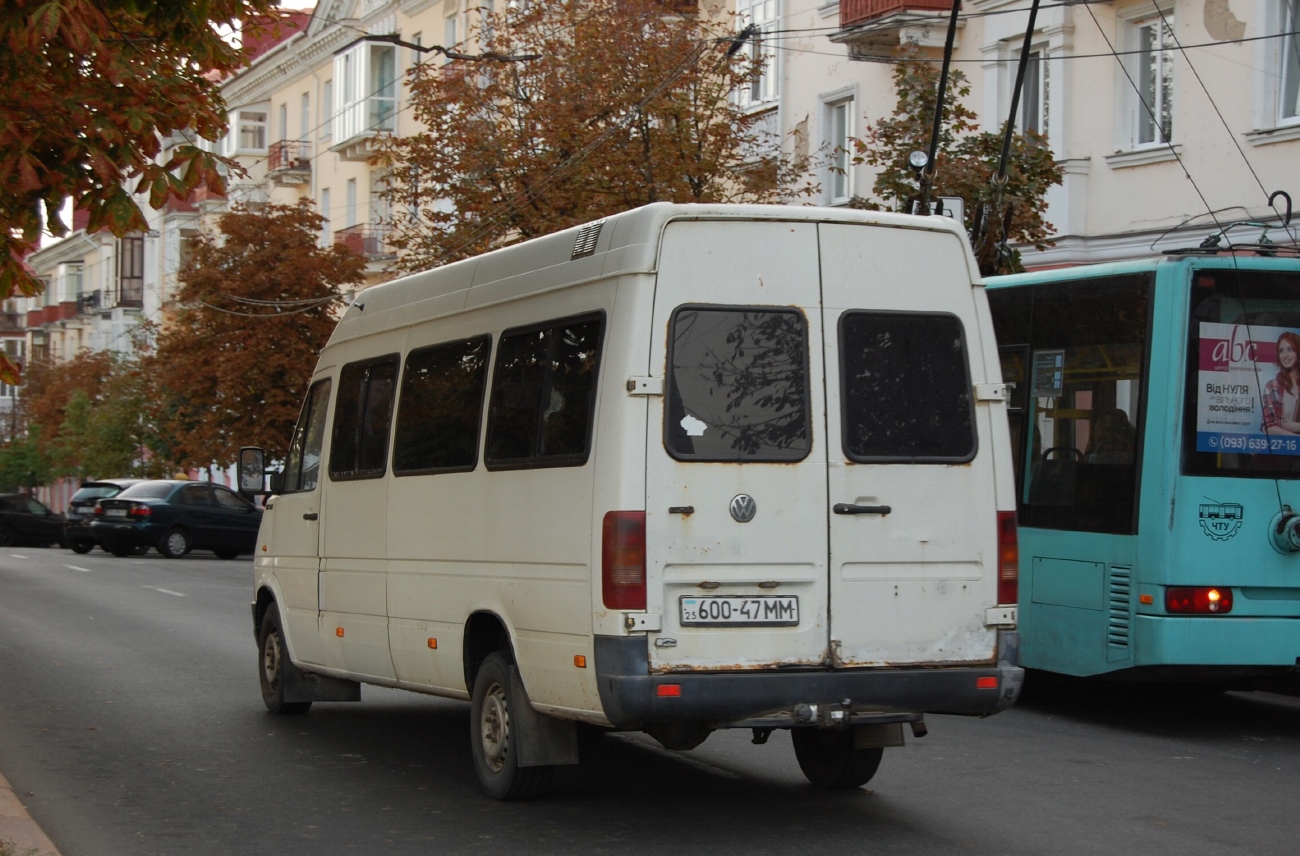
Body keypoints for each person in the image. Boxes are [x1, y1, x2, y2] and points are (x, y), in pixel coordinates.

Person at [1262, 331, 1300, 435]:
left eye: (1290, 349)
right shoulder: (1272, 386)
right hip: (1280, 449)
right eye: (1281, 351)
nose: (1285, 355)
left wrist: (1296, 427)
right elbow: (1268, 427)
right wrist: (1294, 439)